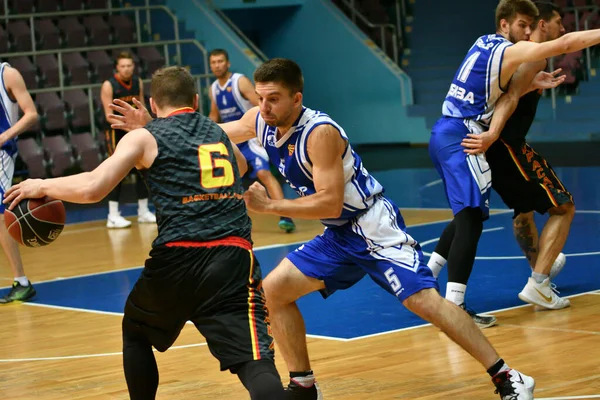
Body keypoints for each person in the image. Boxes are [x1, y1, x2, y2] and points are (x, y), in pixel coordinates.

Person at [108, 59, 538, 399]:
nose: (264, 108)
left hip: (371, 226)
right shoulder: (262, 120)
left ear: (297, 98)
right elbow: (208, 135)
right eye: (260, 99)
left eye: (274, 99)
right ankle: (302, 384)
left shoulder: (320, 133)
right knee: (273, 291)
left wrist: (270, 203)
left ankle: (508, 377)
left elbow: (329, 201)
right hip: (338, 235)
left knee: (424, 301)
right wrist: (154, 131)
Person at [4, 66, 285, 400]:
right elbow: (238, 167)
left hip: (178, 257)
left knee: (136, 334)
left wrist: (41, 183)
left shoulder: (144, 137)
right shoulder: (215, 132)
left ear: (153, 104)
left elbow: (94, 187)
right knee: (253, 361)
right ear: (195, 100)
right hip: (234, 256)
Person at [427, 0, 600, 327]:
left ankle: (428, 275)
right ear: (505, 24)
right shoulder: (515, 51)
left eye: (528, 25)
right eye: (522, 25)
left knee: (474, 213)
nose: (526, 31)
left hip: (449, 131)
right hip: (473, 134)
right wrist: (493, 133)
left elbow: (505, 91)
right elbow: (564, 46)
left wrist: (531, 85)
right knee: (477, 218)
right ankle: (465, 302)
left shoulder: (483, 43)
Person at [445, 2, 572, 311]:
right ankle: (539, 282)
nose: (563, 28)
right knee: (564, 206)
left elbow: (509, 93)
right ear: (543, 25)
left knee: (521, 210)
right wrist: (492, 135)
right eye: (559, 22)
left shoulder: (524, 56)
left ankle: (538, 270)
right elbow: (509, 97)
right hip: (505, 145)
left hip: (497, 144)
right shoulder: (530, 54)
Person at [208, 49, 295, 233]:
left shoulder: (239, 81)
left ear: (228, 63)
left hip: (250, 136)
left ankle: (285, 216)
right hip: (231, 138)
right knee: (222, 178)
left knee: (264, 174)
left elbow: (262, 105)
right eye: (214, 62)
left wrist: (265, 130)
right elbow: (214, 115)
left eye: (220, 61)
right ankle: (222, 219)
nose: (217, 65)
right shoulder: (213, 88)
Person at [101, 51, 156, 229]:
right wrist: (128, 126)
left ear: (133, 66)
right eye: (123, 66)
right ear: (117, 68)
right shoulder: (109, 85)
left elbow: (141, 106)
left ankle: (143, 211)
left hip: (134, 130)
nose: (126, 69)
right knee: (117, 171)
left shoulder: (137, 82)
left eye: (129, 65)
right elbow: (109, 115)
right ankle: (113, 215)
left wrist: (141, 125)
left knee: (143, 167)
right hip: (116, 132)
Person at [0, 63, 38, 304]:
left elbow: (31, 114)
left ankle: (21, 281)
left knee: (0, 215)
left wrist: (4, 136)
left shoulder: (8, 74)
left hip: (2, 152)